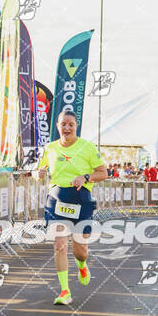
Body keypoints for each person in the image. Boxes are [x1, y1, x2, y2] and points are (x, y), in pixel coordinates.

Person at [38, 110, 107, 305]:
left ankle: (82, 265)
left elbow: (103, 173)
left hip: (81, 201)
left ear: (76, 126)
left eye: (71, 125)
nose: (67, 128)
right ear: (58, 126)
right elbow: (39, 169)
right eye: (63, 124)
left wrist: (85, 177)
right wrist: (39, 173)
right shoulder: (50, 148)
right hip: (56, 201)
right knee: (59, 245)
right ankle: (64, 291)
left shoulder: (87, 147)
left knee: (80, 249)